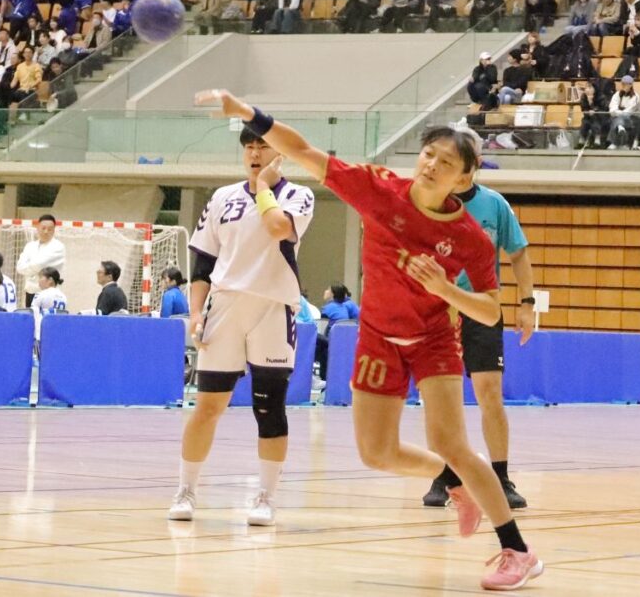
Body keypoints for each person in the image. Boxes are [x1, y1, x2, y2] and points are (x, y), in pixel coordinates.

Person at [195, 89, 541, 590]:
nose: (431, 165)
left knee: (452, 441)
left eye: (446, 163)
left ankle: (516, 550)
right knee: (376, 453)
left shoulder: (469, 236)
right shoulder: (378, 189)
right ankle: (459, 484)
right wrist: (250, 114)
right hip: (378, 338)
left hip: (433, 342)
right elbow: (303, 150)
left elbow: (489, 308)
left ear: (463, 180)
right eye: (428, 154)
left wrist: (444, 289)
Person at [169, 126, 316, 528]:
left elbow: (278, 229)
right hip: (226, 305)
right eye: (249, 147)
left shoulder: (299, 195)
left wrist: (265, 187)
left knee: (269, 406)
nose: (254, 153)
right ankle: (186, 490)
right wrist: (196, 312)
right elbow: (202, 264)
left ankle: (266, 497)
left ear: (279, 152)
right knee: (207, 406)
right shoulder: (222, 198)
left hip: (273, 307)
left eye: (262, 146)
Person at [421, 126, 535, 511]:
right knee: (443, 401)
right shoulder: (429, 203)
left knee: (489, 393)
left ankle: (501, 477)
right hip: (438, 312)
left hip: (482, 310)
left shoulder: (495, 206)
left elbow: (518, 253)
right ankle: (447, 474)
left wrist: (527, 303)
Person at [16, 214, 66, 307]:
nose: (46, 231)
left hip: (49, 295)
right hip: (30, 292)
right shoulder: (30, 246)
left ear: (54, 230)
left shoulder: (58, 246)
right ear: (37, 228)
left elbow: (40, 264)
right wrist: (34, 269)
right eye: (43, 228)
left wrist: (29, 268)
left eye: (50, 229)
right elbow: (20, 267)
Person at [31, 267, 68, 342]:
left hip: (42, 333)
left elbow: (33, 315)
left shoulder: (40, 295)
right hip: (58, 333)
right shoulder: (64, 297)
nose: (38, 281)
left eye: (41, 277)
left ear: (50, 280)